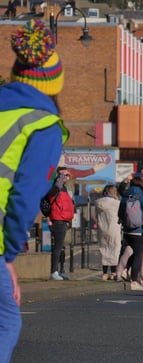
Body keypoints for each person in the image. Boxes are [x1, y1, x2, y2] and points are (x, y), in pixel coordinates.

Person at [0, 18, 68, 362]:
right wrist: (9, 256)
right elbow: (24, 198)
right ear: (53, 81)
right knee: (5, 322)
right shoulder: (42, 124)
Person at [116, 173, 143, 291]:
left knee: (129, 251)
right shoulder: (142, 196)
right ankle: (134, 281)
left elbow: (121, 211)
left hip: (127, 230)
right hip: (138, 230)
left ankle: (122, 271)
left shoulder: (127, 195)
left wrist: (122, 221)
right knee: (137, 255)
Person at [45, 166, 75, 280]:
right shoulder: (55, 188)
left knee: (60, 247)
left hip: (63, 220)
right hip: (57, 220)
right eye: (64, 175)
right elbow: (55, 189)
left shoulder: (64, 189)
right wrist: (60, 176)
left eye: (67, 175)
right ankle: (53, 272)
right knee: (57, 247)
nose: (67, 177)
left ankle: (57, 271)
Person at [94, 185, 122, 280]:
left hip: (102, 229)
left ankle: (105, 273)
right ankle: (113, 272)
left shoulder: (98, 203)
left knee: (104, 249)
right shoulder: (117, 203)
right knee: (115, 249)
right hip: (114, 228)